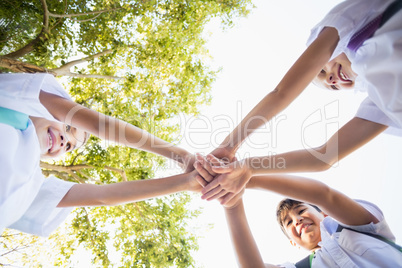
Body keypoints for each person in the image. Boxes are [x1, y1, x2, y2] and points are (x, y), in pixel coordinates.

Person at [198, 0, 402, 203]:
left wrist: (230, 145)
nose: (330, 79)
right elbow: (325, 157)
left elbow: (282, 93)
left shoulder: (354, 25)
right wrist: (249, 166)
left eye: (322, 69)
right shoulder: (380, 100)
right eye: (332, 86)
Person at [0, 73, 197, 236]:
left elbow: (104, 196)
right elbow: (101, 125)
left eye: (69, 147)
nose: (65, 141)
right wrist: (180, 155)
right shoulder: (11, 98)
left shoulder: (31, 185)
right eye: (69, 127)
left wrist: (187, 182)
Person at [194, 168, 402, 267]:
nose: (297, 221)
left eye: (301, 211)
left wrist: (247, 179)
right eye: (289, 223)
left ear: (324, 213)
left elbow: (324, 195)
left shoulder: (360, 227)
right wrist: (232, 204)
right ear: (293, 243)